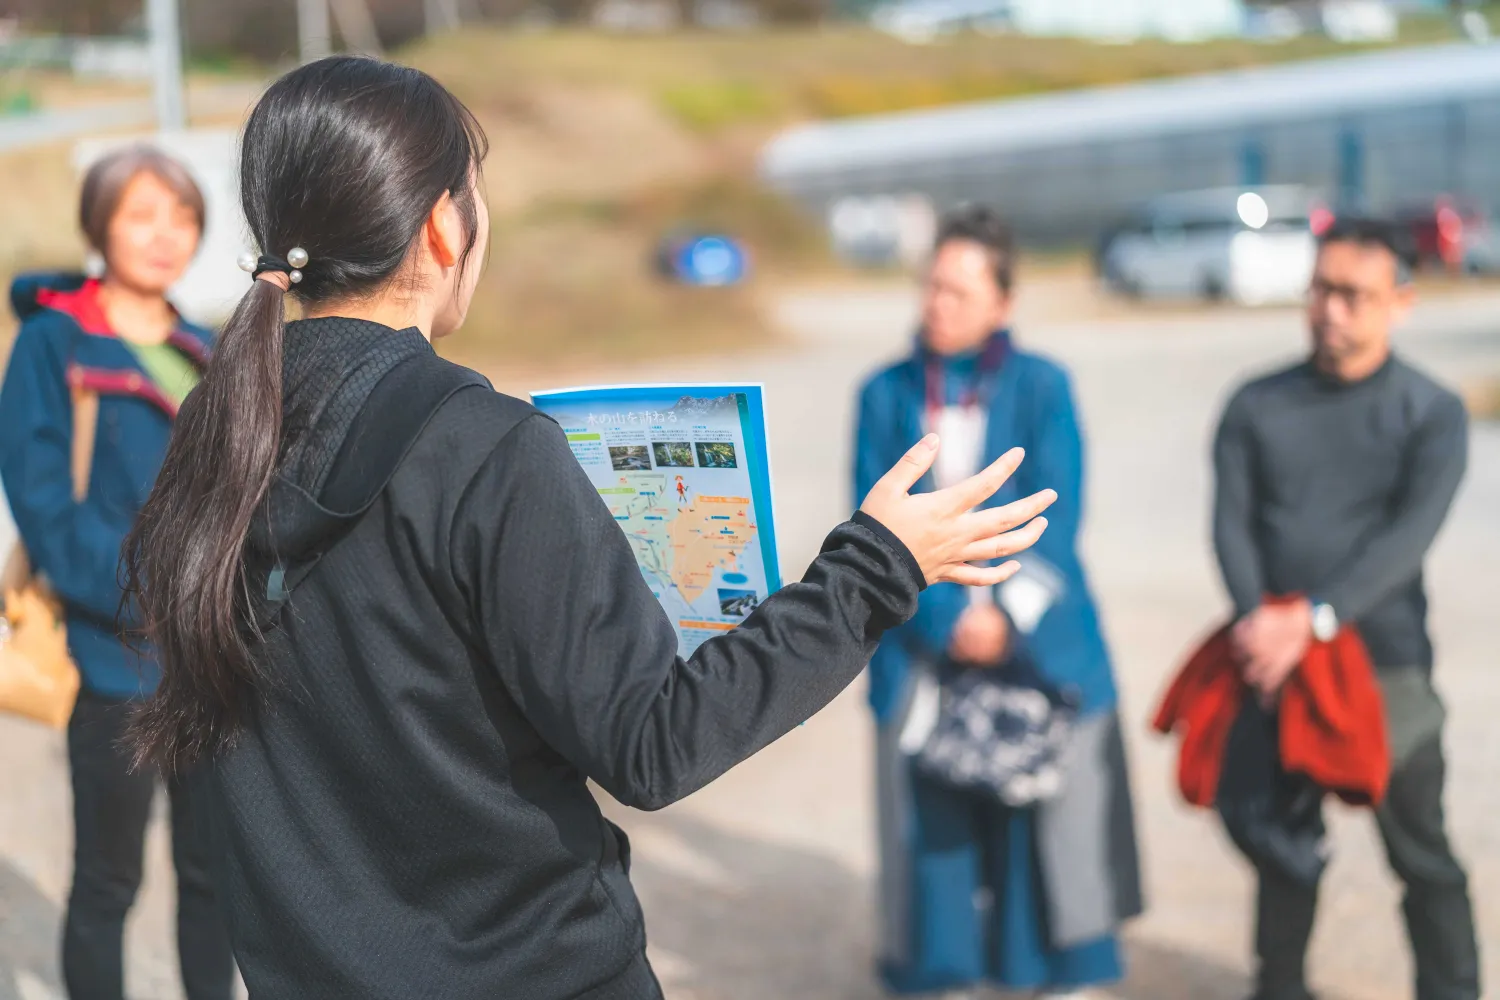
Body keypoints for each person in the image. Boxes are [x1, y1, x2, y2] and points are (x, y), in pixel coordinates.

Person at [119, 57, 1057, 1000]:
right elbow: (654, 743)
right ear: (445, 225)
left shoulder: (211, 439)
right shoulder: (487, 451)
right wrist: (875, 569)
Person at [855, 206, 1143, 1000]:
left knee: (1050, 830)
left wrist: (1004, 616)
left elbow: (1061, 513)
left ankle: (1056, 975)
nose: (934, 304)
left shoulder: (1044, 386)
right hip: (924, 636)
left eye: (955, 289)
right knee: (932, 835)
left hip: (1039, 635)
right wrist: (950, 621)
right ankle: (939, 974)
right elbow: (869, 523)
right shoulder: (883, 393)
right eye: (929, 287)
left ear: (1002, 303)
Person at [1212, 217, 1478, 1000]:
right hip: (1272, 656)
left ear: (1401, 301)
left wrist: (1315, 619)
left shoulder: (1431, 411)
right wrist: (1260, 624)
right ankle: (1280, 986)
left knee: (1421, 852)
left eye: (1354, 295)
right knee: (1282, 845)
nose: (1332, 309)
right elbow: (1232, 526)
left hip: (1384, 660)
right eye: (1321, 289)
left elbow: (1405, 543)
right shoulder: (1254, 405)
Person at [0, 148, 234, 1000]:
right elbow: (42, 504)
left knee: (215, 885)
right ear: (99, 224)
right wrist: (152, 596)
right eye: (142, 214)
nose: (165, 236)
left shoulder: (204, 345)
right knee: (108, 883)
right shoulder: (53, 342)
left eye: (181, 217)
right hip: (115, 660)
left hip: (210, 664)